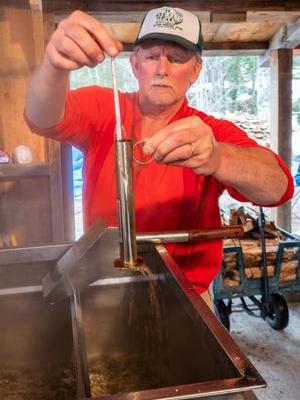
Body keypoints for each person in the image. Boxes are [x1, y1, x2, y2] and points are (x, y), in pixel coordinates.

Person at [24, 6, 294, 305]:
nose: (162, 69)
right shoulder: (103, 108)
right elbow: (41, 117)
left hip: (186, 295)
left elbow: (278, 187)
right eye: (152, 56)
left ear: (195, 70)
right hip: (105, 285)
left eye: (177, 58)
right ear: (135, 64)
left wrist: (219, 158)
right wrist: (54, 65)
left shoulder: (209, 132)